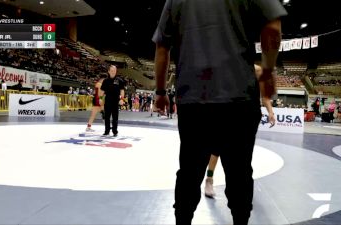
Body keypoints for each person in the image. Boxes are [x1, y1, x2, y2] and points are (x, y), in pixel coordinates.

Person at [153, 1, 286, 224]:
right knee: (240, 174)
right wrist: (268, 71)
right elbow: (272, 27)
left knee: (188, 174)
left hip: (194, 99)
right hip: (239, 97)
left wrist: (160, 91)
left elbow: (162, 47)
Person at [203, 64, 276, 198]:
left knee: (243, 154)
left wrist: (270, 112)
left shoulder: (258, 70)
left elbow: (264, 96)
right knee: (216, 149)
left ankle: (239, 187)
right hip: (225, 113)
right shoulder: (225, 66)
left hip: (247, 116)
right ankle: (209, 179)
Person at [100, 65, 125, 137]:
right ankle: (106, 131)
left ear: (116, 71)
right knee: (107, 117)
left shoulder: (120, 80)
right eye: (112, 70)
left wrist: (122, 99)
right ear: (108, 71)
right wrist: (101, 99)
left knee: (115, 117)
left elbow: (122, 90)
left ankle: (115, 131)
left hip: (116, 101)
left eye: (114, 70)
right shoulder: (105, 81)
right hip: (107, 100)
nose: (113, 72)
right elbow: (102, 91)